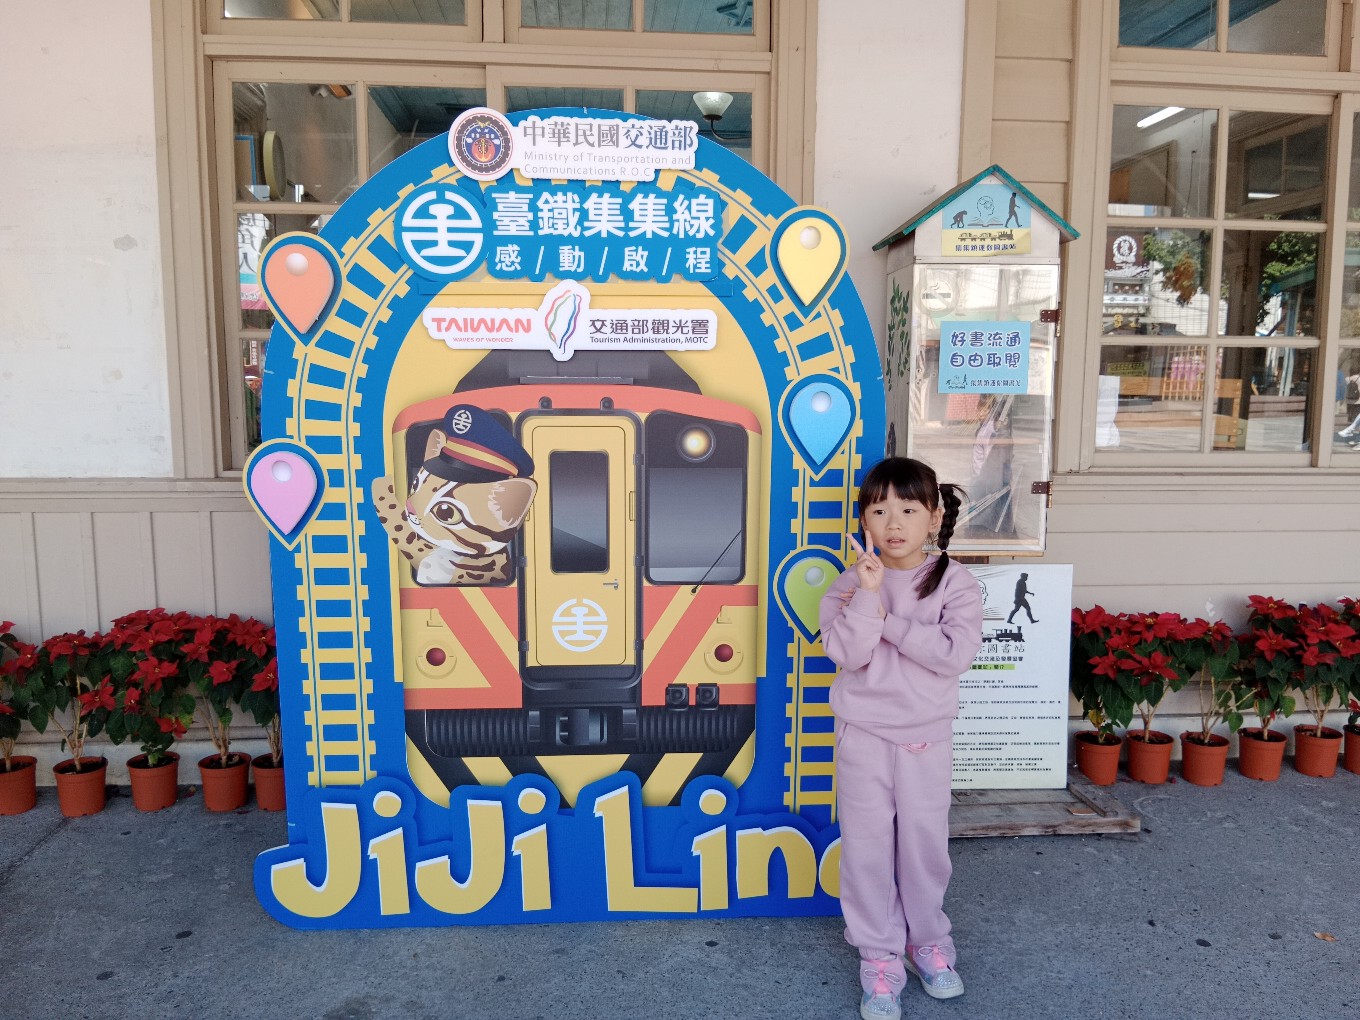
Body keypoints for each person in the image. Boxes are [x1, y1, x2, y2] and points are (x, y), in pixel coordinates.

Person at [819, 457, 984, 1020]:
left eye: (909, 509)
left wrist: (887, 620)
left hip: (925, 740)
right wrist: (869, 596)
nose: (893, 523)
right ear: (863, 520)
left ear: (934, 517)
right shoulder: (847, 586)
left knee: (923, 847)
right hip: (862, 735)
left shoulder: (955, 582)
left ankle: (928, 942)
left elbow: (953, 654)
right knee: (866, 850)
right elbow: (848, 654)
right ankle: (879, 956)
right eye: (879, 510)